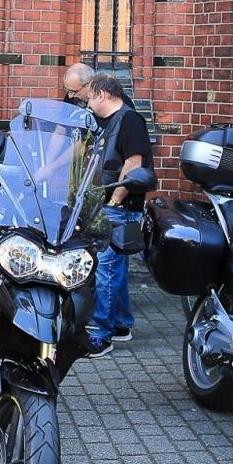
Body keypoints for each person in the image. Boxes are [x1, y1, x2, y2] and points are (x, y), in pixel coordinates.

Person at [85, 72, 150, 357]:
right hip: (110, 204)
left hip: (119, 207)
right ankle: (122, 325)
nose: (87, 104)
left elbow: (133, 165)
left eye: (89, 98)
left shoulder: (130, 120)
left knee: (105, 268)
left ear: (102, 94)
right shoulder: (106, 122)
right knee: (116, 268)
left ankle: (102, 334)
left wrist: (113, 201)